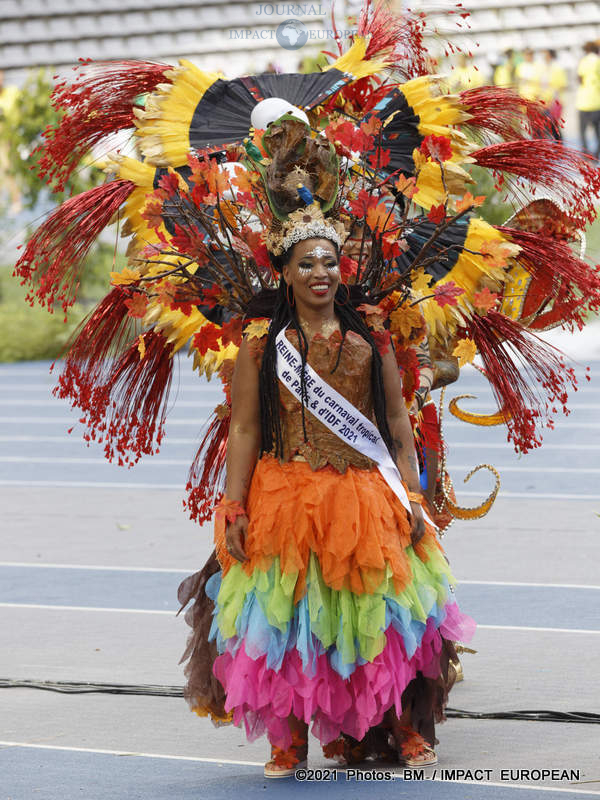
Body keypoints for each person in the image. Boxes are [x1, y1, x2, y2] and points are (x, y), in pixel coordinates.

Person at [204, 210, 475, 777]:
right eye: (306, 263)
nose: (320, 273)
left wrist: (413, 495)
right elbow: (246, 428)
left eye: (329, 262)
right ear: (285, 272)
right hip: (286, 497)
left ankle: (401, 726)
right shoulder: (261, 346)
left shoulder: (371, 337)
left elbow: (396, 422)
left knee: (385, 614)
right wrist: (233, 503)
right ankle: (289, 740)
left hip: (364, 493)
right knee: (289, 618)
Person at [576, 42, 600, 158]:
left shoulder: (583, 61)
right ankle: (597, 153)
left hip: (583, 101)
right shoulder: (598, 61)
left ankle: (585, 154)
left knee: (583, 131)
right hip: (596, 101)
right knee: (597, 131)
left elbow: (579, 79)